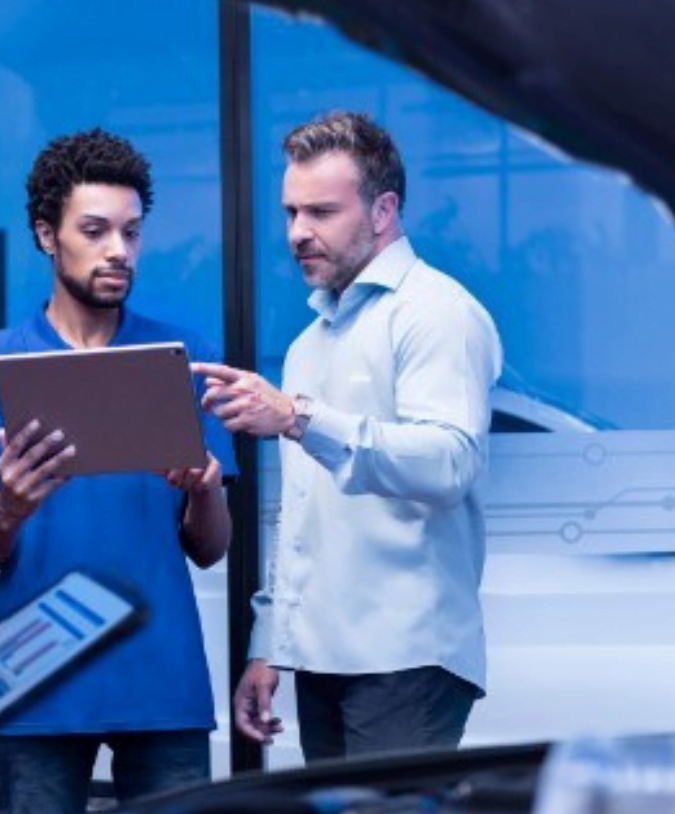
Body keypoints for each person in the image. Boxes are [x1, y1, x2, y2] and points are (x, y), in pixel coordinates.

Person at [0, 129, 236, 814]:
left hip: (163, 678)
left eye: (131, 232)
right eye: (95, 231)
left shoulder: (184, 361)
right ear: (46, 235)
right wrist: (11, 508)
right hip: (38, 681)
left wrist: (206, 489)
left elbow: (210, 547)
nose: (118, 251)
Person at [193, 110, 503, 762]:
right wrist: (268, 646)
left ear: (383, 210)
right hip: (324, 660)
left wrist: (301, 418)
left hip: (409, 658)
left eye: (321, 212)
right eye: (290, 213)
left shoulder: (436, 313)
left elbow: (450, 463)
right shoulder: (311, 344)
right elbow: (304, 516)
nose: (298, 233)